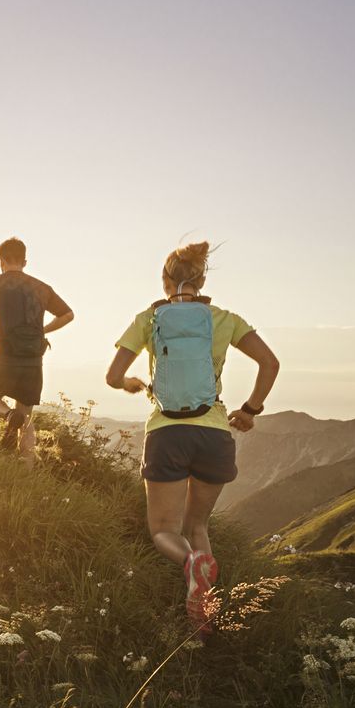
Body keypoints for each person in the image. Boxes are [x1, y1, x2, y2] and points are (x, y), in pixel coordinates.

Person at [103, 241, 280, 627]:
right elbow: (270, 363)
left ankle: (190, 563)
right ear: (201, 280)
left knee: (164, 530)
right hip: (214, 435)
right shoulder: (224, 318)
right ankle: (206, 619)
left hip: (167, 433)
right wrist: (250, 410)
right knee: (197, 525)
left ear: (165, 280)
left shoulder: (148, 320)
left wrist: (131, 383)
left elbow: (112, 376)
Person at [0, 237, 74, 456]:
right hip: (34, 360)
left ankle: (7, 415)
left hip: (5, 355)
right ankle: (27, 472)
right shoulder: (42, 288)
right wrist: (42, 330)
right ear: (24, 262)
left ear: (1, 261)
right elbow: (68, 314)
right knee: (26, 418)